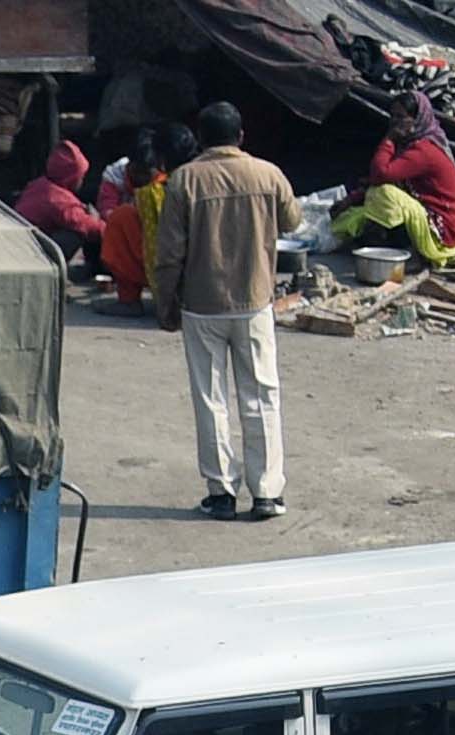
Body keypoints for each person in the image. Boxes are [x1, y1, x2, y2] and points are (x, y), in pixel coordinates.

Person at [157, 100, 289, 519]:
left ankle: (221, 493)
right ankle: (266, 492)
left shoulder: (183, 181)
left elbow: (168, 253)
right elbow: (294, 220)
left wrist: (165, 303)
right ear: (241, 136)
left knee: (210, 399)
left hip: (201, 303)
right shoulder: (267, 174)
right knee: (261, 395)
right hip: (254, 301)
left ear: (201, 137)